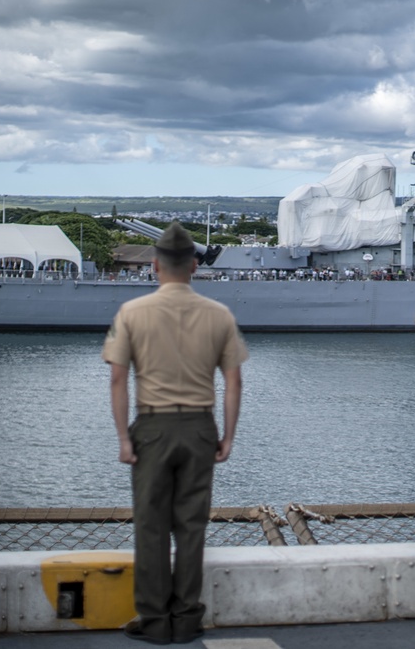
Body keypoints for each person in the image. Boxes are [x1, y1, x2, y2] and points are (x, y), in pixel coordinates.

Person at [103, 222, 247, 645]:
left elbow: (117, 379)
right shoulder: (219, 314)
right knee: (191, 526)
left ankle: (153, 619)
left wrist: (124, 439)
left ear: (154, 266)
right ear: (194, 267)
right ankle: (186, 618)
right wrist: (228, 437)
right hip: (201, 427)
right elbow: (234, 381)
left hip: (152, 427)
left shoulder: (131, 313)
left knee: (150, 526)